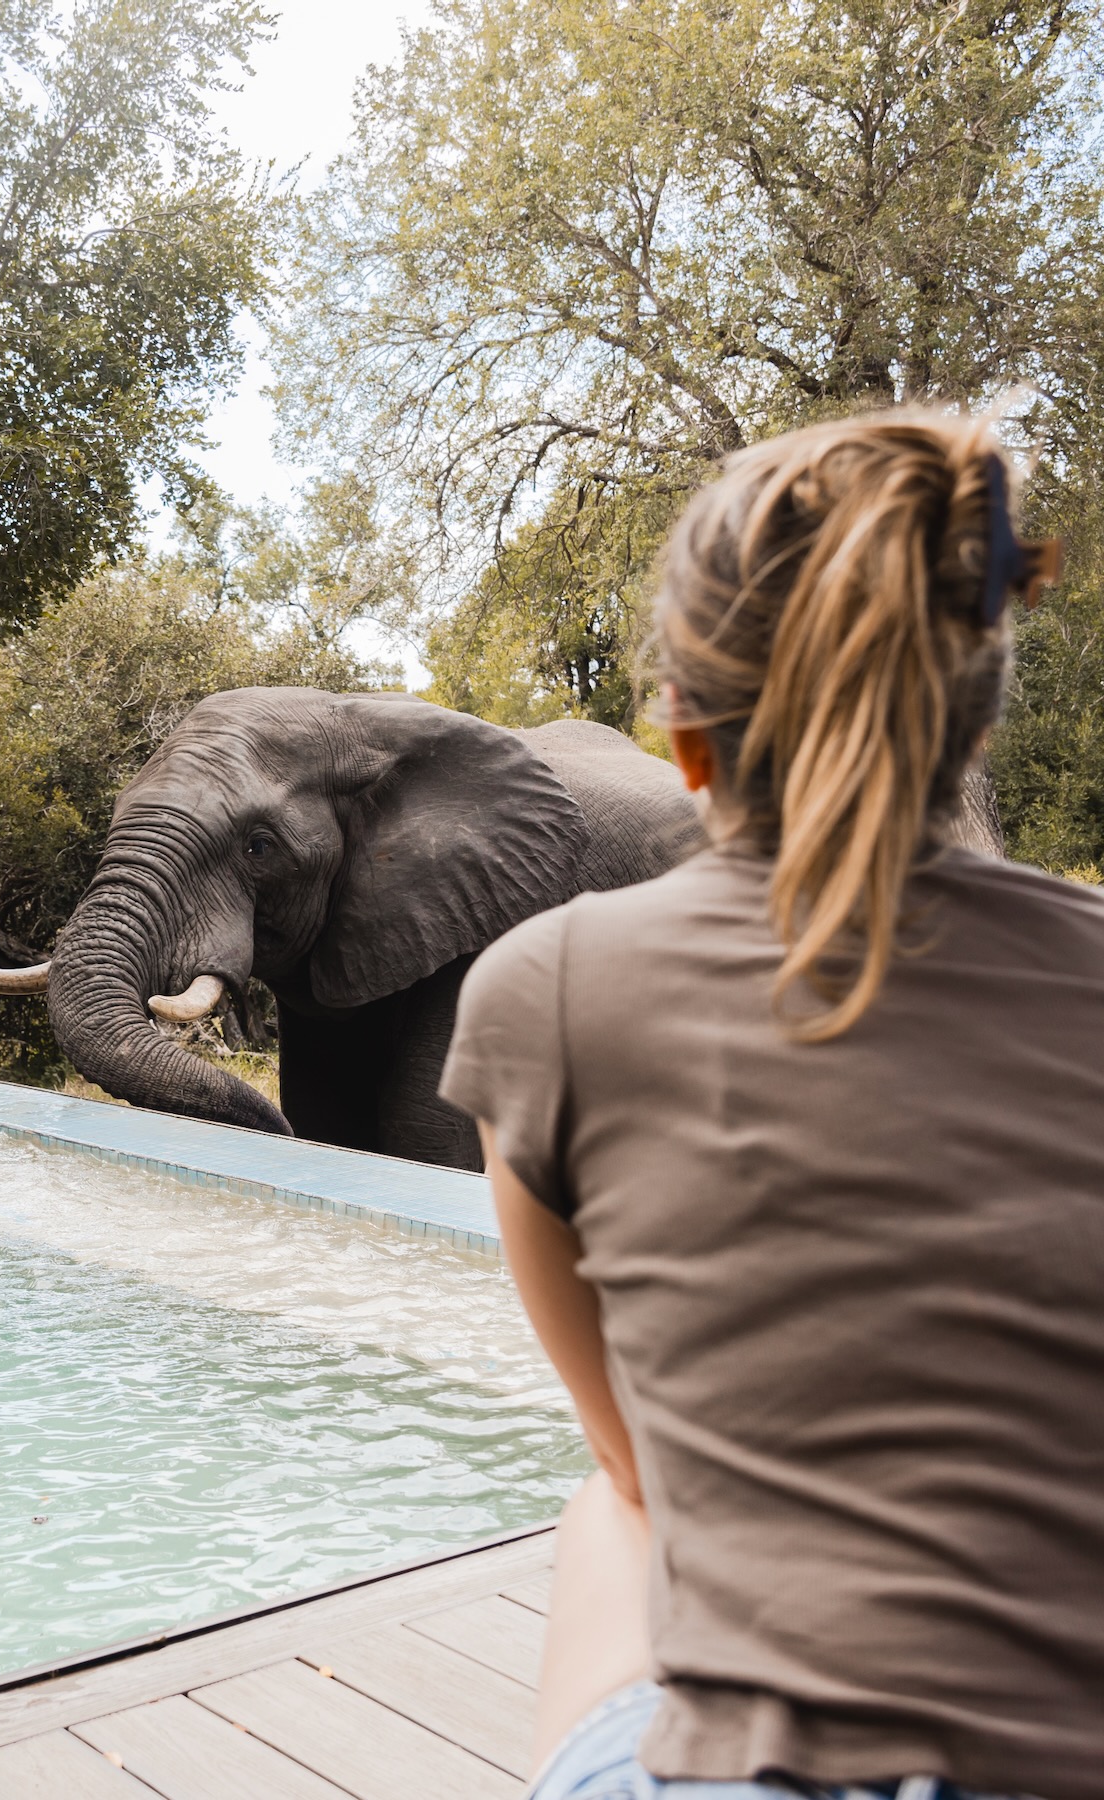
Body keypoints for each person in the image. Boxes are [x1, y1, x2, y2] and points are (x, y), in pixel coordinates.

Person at [439, 410, 1100, 1800]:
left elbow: (638, 1464)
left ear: (682, 740)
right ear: (971, 714)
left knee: (599, 1523)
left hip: (768, 1776)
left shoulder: (550, 990)